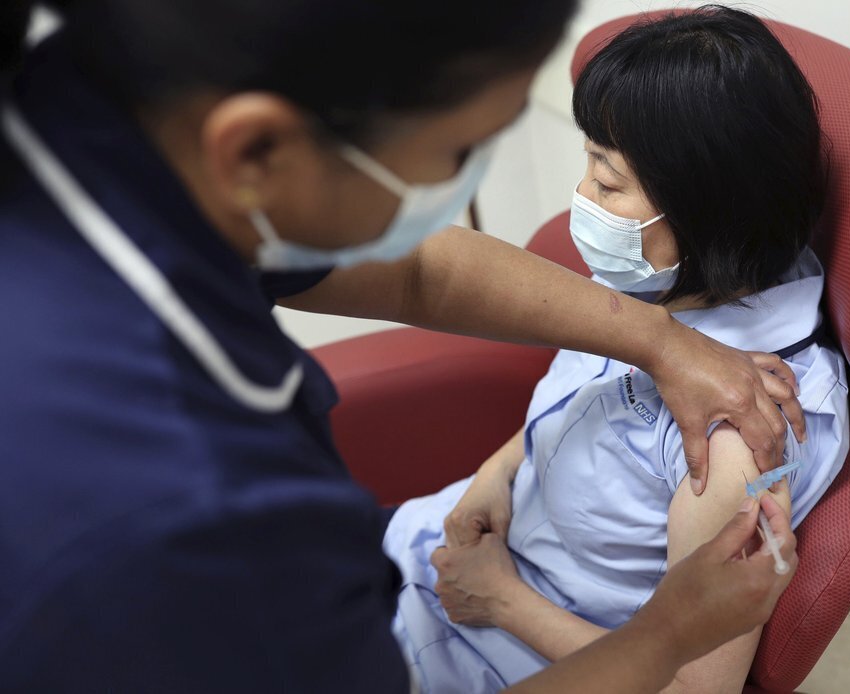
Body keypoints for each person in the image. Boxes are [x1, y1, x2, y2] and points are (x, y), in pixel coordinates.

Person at [0, 1, 799, 691]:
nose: (578, 199)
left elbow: (419, 273)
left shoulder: (103, 122)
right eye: (456, 152)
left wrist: (657, 340)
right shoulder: (188, 516)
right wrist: (663, 637)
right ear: (255, 153)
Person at [384, 7, 849, 693]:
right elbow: (585, 399)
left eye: (606, 183)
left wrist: (504, 602)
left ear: (705, 212)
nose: (582, 199)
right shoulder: (663, 288)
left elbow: (695, 686)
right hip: (438, 556)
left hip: (513, 656)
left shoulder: (740, 438)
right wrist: (495, 473)